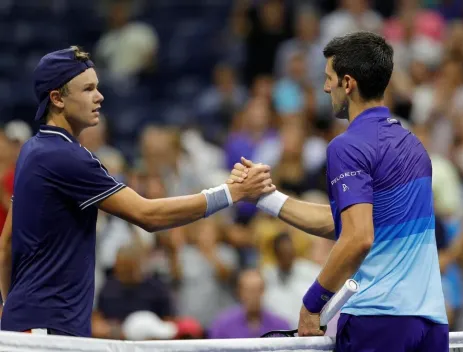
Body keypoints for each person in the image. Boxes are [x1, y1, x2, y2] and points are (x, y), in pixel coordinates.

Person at [0, 46, 274, 338]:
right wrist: (232, 193)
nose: (99, 96)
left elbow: (5, 244)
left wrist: (10, 310)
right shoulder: (66, 157)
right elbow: (148, 215)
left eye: (98, 87)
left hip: (31, 325)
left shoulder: (32, 150)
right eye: (88, 89)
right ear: (57, 98)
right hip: (48, 330)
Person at [228, 31, 448, 351]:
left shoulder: (348, 146)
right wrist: (265, 197)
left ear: (348, 83)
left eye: (329, 78)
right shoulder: (413, 145)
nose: (325, 87)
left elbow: (358, 237)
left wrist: (312, 304)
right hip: (430, 322)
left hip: (378, 322)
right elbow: (346, 222)